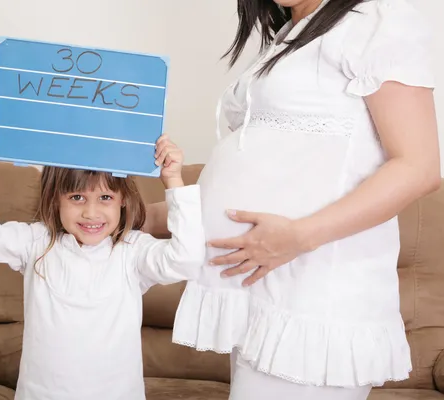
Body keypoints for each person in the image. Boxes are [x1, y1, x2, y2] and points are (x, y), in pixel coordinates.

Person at [144, 0, 441, 399]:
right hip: (258, 292)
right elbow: (261, 177)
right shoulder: (290, 36)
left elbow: (418, 167)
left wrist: (299, 236)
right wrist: (139, 217)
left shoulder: (376, 21)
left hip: (314, 301)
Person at [0, 110, 205, 400]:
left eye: (105, 198)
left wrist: (173, 179)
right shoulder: (34, 243)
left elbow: (186, 258)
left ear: (121, 201)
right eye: (77, 198)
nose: (91, 212)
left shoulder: (132, 252)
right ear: (55, 199)